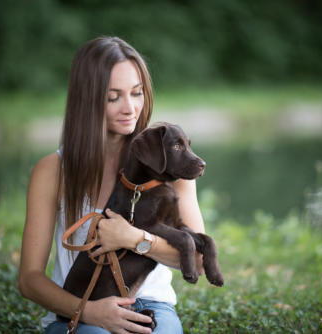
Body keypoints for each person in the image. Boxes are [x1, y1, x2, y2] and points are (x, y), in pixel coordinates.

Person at [19, 36, 206, 334]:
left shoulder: (169, 166)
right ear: (87, 99)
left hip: (151, 306)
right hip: (81, 307)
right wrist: (90, 311)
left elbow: (197, 259)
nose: (130, 108)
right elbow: (29, 279)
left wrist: (134, 239)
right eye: (113, 97)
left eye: (136, 93)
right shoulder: (52, 171)